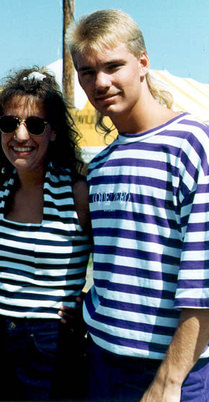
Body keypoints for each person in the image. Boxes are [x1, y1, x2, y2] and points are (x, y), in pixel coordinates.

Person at [68, 9, 209, 400]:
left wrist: (169, 381)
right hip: (100, 361)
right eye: (87, 72)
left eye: (114, 66)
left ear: (143, 63)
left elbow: (204, 280)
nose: (101, 82)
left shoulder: (193, 144)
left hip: (170, 371)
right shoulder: (100, 164)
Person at [0, 67, 91, 401]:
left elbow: (119, 261)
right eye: (9, 123)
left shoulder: (77, 193)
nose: (20, 135)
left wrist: (89, 307)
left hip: (51, 346)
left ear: (54, 132)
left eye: (35, 125)